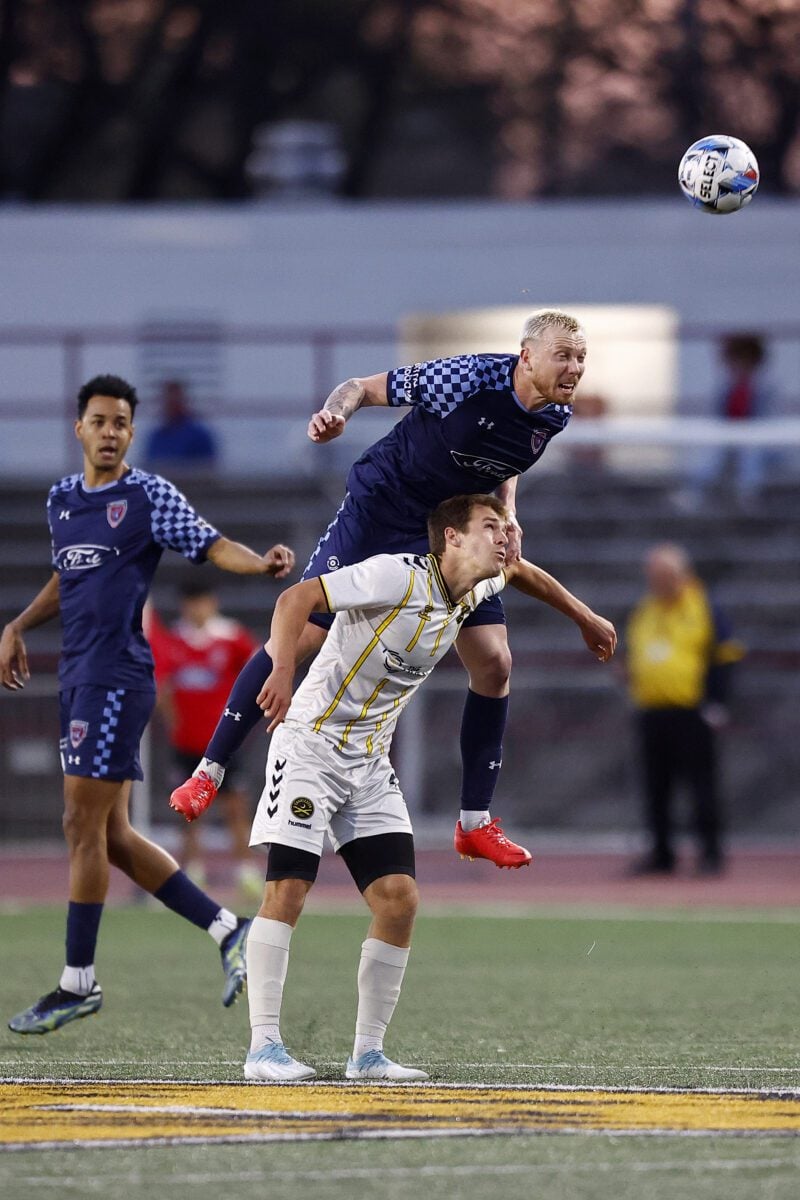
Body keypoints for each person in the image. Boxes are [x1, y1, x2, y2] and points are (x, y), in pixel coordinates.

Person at [172, 494, 617, 1080]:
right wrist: (281, 668)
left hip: (368, 761)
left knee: (399, 901)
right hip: (309, 744)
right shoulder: (393, 574)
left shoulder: (475, 589)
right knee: (288, 890)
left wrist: (585, 617)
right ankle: (263, 1050)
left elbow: (522, 572)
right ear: (452, 539)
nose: (505, 534)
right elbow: (296, 597)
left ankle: (368, 1055)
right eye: (491, 526)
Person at [171, 309, 587, 869]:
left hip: (450, 528)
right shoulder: (466, 379)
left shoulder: (555, 415)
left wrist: (507, 509)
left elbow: (507, 459)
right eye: (564, 355)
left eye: (581, 357)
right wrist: (333, 414)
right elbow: (360, 387)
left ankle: (474, 823)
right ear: (527, 356)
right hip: (384, 504)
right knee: (302, 639)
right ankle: (209, 771)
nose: (575, 367)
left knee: (494, 662)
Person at [0, 373, 295, 1035]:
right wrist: (18, 625)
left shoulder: (148, 495)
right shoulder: (61, 502)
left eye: (121, 423)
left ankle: (78, 982)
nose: (110, 433)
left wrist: (258, 564)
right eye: (99, 421)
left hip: (117, 677)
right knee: (111, 836)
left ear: (132, 432)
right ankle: (228, 928)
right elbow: (66, 575)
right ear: (80, 428)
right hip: (79, 676)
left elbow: (208, 541)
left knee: (81, 824)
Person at [625, 543, 744, 877]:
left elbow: (726, 655)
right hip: (652, 711)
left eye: (662, 575)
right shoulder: (646, 608)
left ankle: (710, 854)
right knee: (655, 788)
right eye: (652, 575)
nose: (656, 581)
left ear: (680, 574)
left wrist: (716, 704)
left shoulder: (704, 605)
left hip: (692, 712)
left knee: (701, 787)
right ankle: (662, 853)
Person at [147, 582, 263, 901]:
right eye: (191, 603)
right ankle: (193, 872)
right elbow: (163, 685)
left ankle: (246, 872)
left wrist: (244, 720)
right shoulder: (173, 641)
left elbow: (258, 673)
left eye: (201, 602)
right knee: (188, 811)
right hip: (186, 743)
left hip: (224, 743)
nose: (196, 609)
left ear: (212, 603)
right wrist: (173, 721)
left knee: (235, 807)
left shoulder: (233, 637)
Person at [144, 379, 218, 471]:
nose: (171, 404)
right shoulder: (156, 436)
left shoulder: (199, 436)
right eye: (167, 399)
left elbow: (209, 470)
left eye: (175, 399)